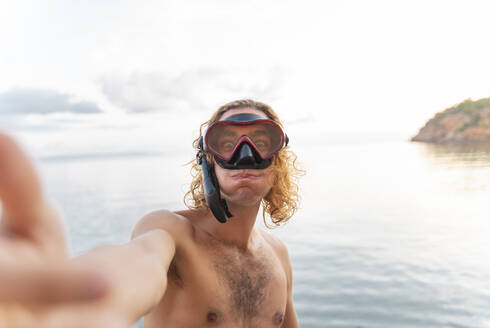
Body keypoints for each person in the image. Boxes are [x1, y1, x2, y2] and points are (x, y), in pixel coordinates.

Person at [0, 99, 303, 327]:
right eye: (226, 143)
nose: (245, 154)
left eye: (262, 142)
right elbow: (138, 263)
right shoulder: (172, 233)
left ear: (277, 163)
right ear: (209, 162)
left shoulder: (279, 255)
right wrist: (72, 303)